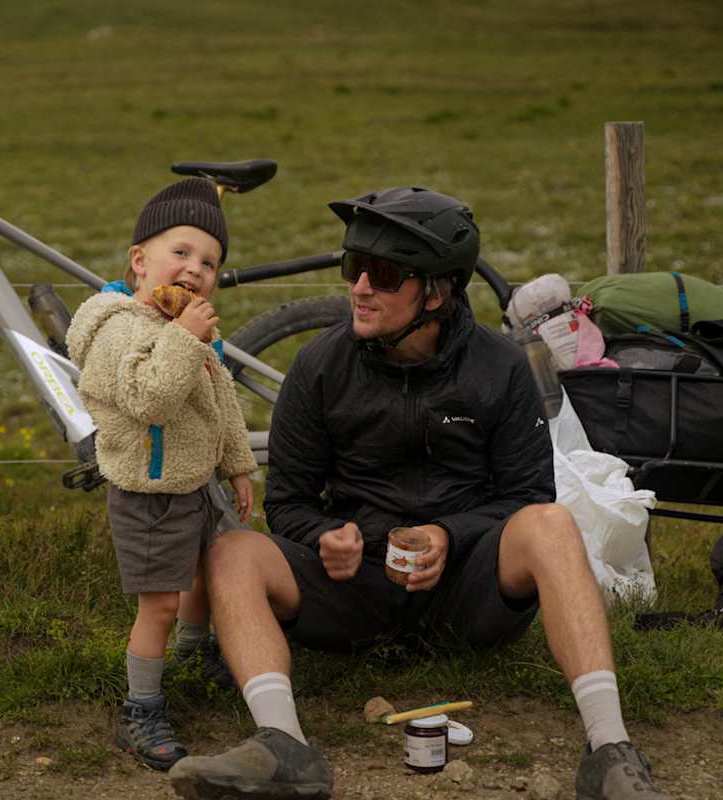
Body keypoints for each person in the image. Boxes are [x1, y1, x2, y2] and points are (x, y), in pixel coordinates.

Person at [168, 187, 670, 800]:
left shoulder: (500, 366)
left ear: (436, 291)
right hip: (353, 591)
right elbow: (288, 502)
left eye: (382, 275)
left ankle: (610, 750)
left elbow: (528, 493)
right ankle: (284, 747)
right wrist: (326, 537)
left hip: (468, 591)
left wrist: (449, 535)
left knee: (551, 525)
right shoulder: (319, 365)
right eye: (354, 268)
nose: (359, 287)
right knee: (231, 550)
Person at [66, 178, 258, 771]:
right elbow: (151, 400)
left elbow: (217, 399)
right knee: (160, 606)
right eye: (181, 253)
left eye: (209, 262)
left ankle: (198, 658)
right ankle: (140, 710)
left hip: (195, 481)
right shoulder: (117, 331)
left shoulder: (193, 330)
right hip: (147, 492)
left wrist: (237, 465)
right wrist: (182, 338)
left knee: (203, 574)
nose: (195, 269)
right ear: (139, 261)